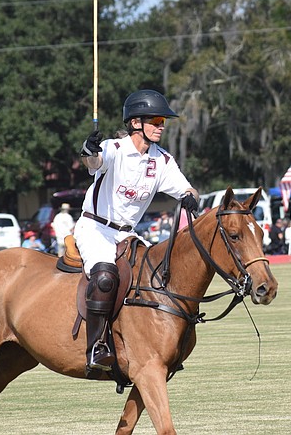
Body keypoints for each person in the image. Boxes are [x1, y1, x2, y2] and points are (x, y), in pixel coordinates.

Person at [72, 89, 199, 373]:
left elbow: (186, 187)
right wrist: (89, 149)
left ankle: (152, 345)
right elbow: (94, 162)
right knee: (105, 277)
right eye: (155, 119)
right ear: (135, 123)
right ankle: (97, 347)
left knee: (156, 277)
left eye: (163, 120)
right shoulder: (114, 149)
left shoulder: (162, 160)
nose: (161, 125)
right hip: (96, 228)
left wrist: (190, 196)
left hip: (129, 234)